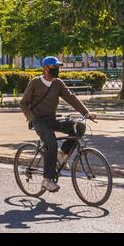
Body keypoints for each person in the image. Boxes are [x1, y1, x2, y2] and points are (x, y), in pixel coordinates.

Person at [19, 56, 94, 193]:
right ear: (45, 68)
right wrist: (31, 118)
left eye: (58, 67)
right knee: (51, 143)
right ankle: (47, 180)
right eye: (54, 67)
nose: (57, 70)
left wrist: (86, 113)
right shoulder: (35, 82)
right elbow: (23, 103)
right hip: (39, 121)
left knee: (79, 127)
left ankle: (62, 153)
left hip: (52, 119)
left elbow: (71, 98)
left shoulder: (58, 83)